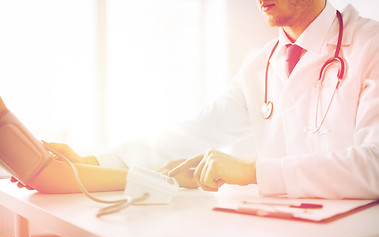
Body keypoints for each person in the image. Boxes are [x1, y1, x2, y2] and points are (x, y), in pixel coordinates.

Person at [12, 0, 379, 199]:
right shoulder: (260, 65)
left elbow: (374, 166)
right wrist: (93, 162)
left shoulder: (370, 45)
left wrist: (253, 171)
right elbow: (196, 131)